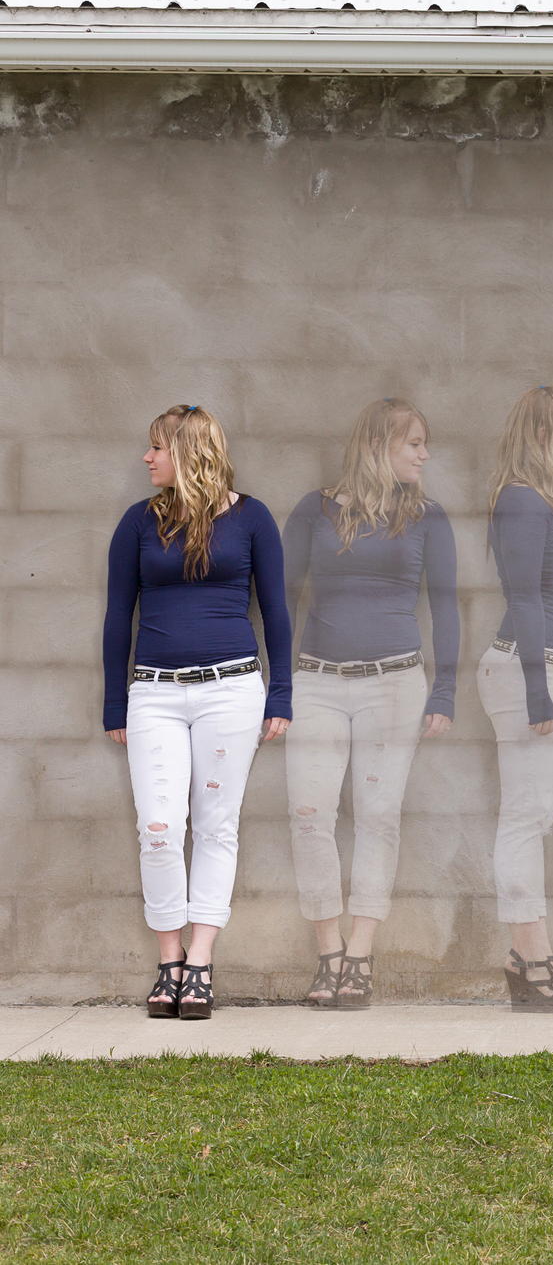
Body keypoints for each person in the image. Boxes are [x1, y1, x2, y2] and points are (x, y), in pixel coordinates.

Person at [102, 404, 292, 1020]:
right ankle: (170, 960)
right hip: (154, 693)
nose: (147, 457)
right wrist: (115, 701)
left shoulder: (252, 517)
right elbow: (118, 615)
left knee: (216, 826)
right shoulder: (138, 522)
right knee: (159, 828)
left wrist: (281, 693)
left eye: (157, 447)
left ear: (188, 452)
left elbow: (276, 610)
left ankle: (201, 963)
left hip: (231, 691)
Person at [282, 397, 459, 1008]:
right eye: (415, 443)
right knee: (310, 815)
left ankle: (360, 954)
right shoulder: (315, 510)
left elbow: (447, 606)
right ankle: (328, 953)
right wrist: (277, 685)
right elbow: (280, 599)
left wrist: (445, 687)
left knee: (378, 816)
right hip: (316, 682)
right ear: (380, 445)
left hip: (394, 684)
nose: (424, 455)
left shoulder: (428, 516)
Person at [479, 384, 553, 1008]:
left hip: (549, 669)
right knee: (524, 820)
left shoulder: (536, 498)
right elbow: (522, 594)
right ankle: (534, 958)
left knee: (533, 818)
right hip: (534, 671)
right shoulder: (522, 499)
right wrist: (537, 692)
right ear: (546, 434)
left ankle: (527, 957)